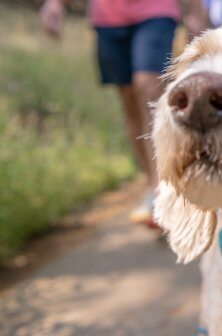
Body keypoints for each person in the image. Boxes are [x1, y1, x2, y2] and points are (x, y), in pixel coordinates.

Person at [39, 0, 206, 227]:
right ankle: (153, 185)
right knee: (129, 102)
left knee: (148, 88)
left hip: (156, 11)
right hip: (108, 17)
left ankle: (164, 188)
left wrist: (194, 14)